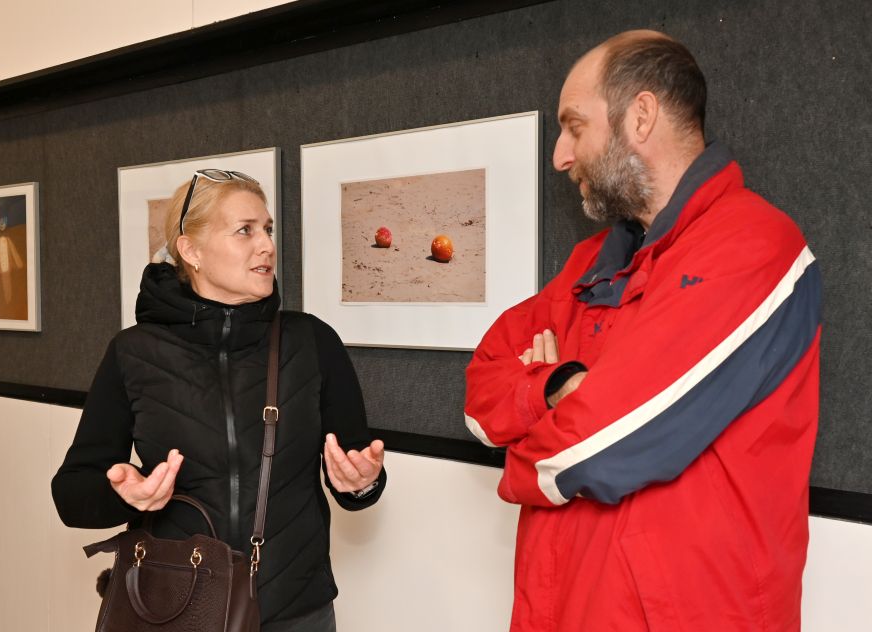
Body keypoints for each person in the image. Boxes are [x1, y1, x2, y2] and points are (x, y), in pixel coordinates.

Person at [465, 30, 821, 631]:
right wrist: (557, 384)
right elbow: (481, 393)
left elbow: (602, 448)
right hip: (561, 607)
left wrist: (523, 456)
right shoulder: (590, 264)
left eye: (574, 127)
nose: (560, 156)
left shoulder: (753, 246)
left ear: (641, 116)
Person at [52, 168, 386, 631]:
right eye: (245, 230)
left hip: (297, 612)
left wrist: (362, 483)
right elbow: (71, 495)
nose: (266, 245)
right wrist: (126, 496)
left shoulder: (313, 342)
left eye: (267, 229)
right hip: (176, 609)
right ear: (191, 250)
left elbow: (356, 476)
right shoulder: (133, 353)